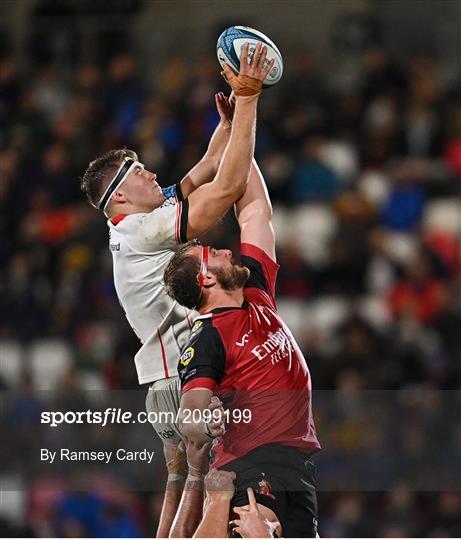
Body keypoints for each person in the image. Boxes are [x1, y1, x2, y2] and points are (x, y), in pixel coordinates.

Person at [80, 42, 274, 537]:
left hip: (161, 380)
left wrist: (228, 124)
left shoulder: (132, 225)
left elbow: (206, 167)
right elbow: (226, 190)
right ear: (119, 195)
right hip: (181, 377)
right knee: (205, 485)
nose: (151, 172)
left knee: (179, 482)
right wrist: (250, 100)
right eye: (138, 171)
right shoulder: (144, 229)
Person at [163, 157, 321, 537]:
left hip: (297, 467)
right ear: (205, 278)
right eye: (213, 254)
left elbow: (255, 213)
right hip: (251, 463)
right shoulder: (207, 338)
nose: (226, 251)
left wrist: (239, 137)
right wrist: (203, 423)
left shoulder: (257, 295)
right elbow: (190, 415)